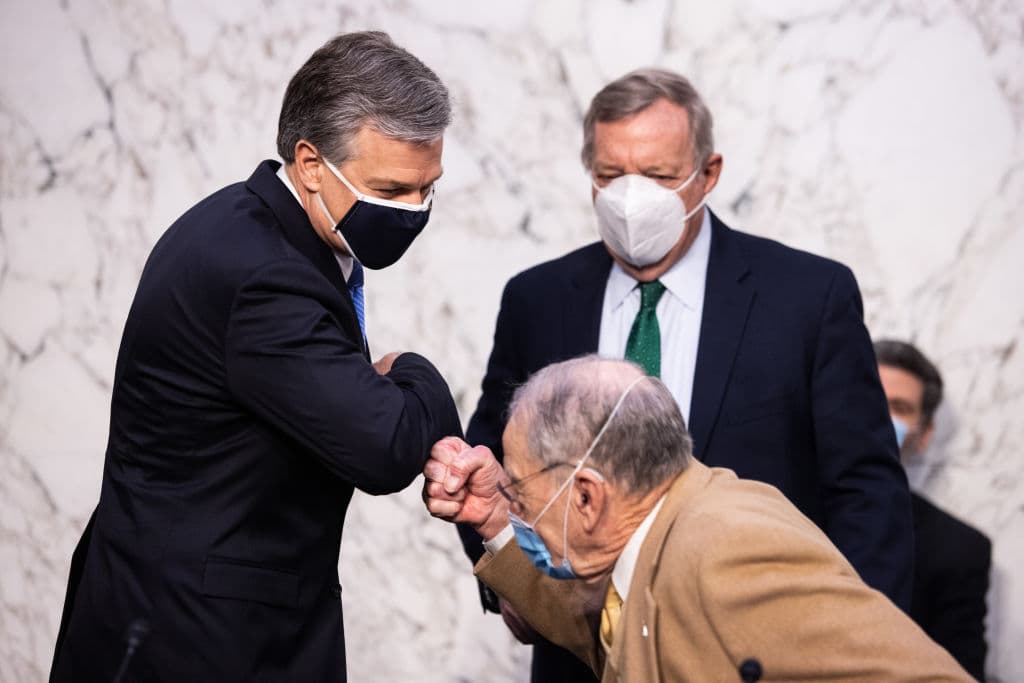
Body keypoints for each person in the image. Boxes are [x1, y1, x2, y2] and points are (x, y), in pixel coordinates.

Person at [459, 68, 913, 681]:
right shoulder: (538, 299)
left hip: (754, 652)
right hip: (577, 658)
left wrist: (846, 650)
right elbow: (491, 466)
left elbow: (867, 494)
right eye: (610, 175)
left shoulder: (807, 297)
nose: (631, 197)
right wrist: (516, 588)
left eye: (658, 175)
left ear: (708, 172)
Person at [49, 31, 462, 682]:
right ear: (311, 163)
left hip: (176, 610)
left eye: (427, 189)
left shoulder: (248, 225)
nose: (413, 211)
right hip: (201, 640)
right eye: (392, 189)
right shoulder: (265, 278)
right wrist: (413, 371)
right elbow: (384, 446)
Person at [426, 357, 970, 682]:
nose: (518, 508)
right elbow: (614, 638)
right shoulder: (656, 532)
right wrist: (495, 518)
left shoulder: (731, 548)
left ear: (587, 496)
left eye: (520, 493)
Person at [875, 339, 991, 680]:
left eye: (898, 407)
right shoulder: (780, 507)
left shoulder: (958, 551)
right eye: (869, 396)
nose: (878, 416)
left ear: (924, 433)